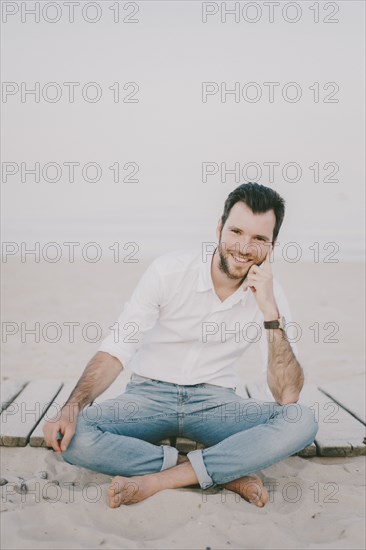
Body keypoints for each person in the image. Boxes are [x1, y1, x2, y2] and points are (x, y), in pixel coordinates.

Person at [43, 182, 318, 508]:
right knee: (74, 437)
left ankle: (161, 480)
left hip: (216, 404)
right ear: (219, 228)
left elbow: (287, 396)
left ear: (273, 245)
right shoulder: (168, 271)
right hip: (147, 397)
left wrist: (270, 313)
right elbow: (117, 348)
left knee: (301, 420)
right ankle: (219, 472)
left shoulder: (272, 295)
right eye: (236, 231)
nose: (244, 247)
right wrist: (71, 407)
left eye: (259, 238)